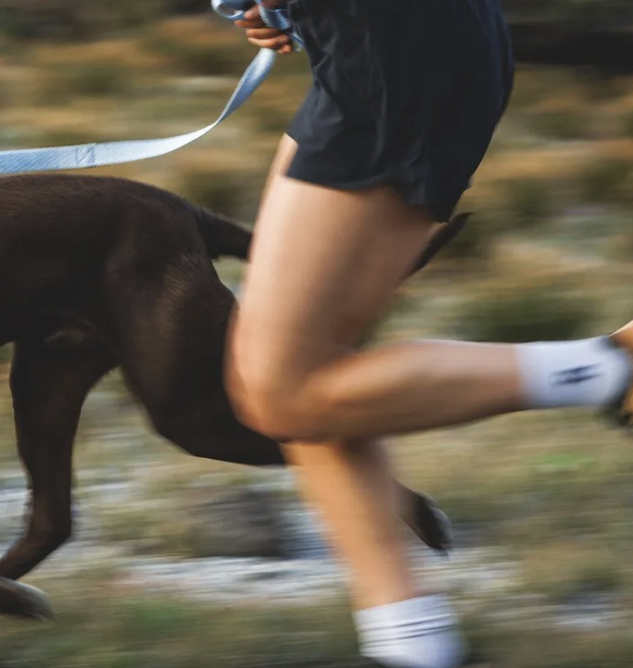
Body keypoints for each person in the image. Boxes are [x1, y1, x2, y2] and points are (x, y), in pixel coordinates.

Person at [228, 1, 629, 667]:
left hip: (395, 43)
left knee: (281, 391)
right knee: (298, 373)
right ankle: (409, 642)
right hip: (379, 42)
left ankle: (609, 368)